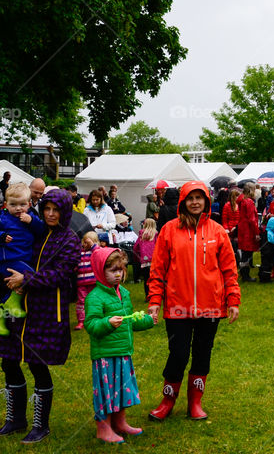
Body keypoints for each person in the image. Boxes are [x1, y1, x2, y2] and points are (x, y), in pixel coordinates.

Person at [0, 189, 80, 443]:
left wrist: (26, 279)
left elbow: (60, 274)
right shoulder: (35, 230)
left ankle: (41, 425)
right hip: (17, 306)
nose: (50, 214)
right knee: (9, 360)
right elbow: (12, 251)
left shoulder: (69, 239)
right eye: (47, 208)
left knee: (37, 364)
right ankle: (16, 419)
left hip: (46, 309)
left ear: (65, 212)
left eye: (56, 210)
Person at [146, 181, 240, 422]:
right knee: (177, 354)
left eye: (199, 198)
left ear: (206, 201)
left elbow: (229, 269)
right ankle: (167, 401)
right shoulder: (169, 230)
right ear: (183, 201)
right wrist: (155, 299)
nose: (195, 202)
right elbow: (157, 269)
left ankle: (195, 402)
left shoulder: (217, 231)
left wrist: (233, 299)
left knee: (202, 353)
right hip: (177, 306)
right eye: (191, 198)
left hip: (211, 306)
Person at [84, 247, 155, 443]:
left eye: (121, 269)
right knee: (106, 392)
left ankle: (120, 422)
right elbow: (91, 324)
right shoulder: (95, 297)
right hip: (105, 355)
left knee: (121, 389)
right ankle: (103, 428)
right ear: (100, 271)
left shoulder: (123, 292)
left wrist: (148, 320)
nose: (118, 274)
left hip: (123, 351)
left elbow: (130, 320)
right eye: (113, 270)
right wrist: (107, 323)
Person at [0, 184, 46, 336]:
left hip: (24, 260)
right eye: (13, 205)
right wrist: (1, 236)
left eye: (22, 204)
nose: (18, 208)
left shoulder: (30, 217)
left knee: (20, 285)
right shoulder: (3, 219)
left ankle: (0, 318)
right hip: (9, 260)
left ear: (29, 204)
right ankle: (10, 307)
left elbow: (42, 231)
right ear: (6, 204)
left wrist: (32, 221)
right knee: (32, 277)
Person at [236, 183, 259, 283]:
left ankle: (244, 273)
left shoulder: (242, 200)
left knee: (245, 253)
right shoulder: (249, 201)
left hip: (243, 229)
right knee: (247, 253)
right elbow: (252, 219)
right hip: (248, 230)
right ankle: (246, 275)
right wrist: (256, 232)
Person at [75, 232, 99, 330]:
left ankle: (95, 317)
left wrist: (92, 245)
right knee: (81, 301)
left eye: (87, 243)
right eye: (84, 242)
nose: (85, 245)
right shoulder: (79, 253)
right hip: (81, 282)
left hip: (93, 282)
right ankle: (81, 320)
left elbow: (98, 251)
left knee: (94, 300)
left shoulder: (94, 252)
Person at [134, 219, 157, 296]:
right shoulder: (155, 235)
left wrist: (137, 256)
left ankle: (147, 295)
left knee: (146, 278)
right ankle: (155, 294)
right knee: (155, 278)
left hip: (144, 259)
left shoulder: (142, 234)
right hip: (154, 259)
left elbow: (136, 247)